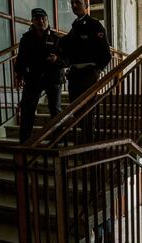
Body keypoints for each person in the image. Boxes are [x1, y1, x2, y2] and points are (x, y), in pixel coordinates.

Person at [15, 8, 65, 143]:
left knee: (55, 110)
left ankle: (57, 141)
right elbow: (20, 59)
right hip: (33, 78)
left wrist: (57, 60)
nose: (40, 21)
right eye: (37, 18)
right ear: (32, 21)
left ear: (47, 20)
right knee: (27, 109)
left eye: (43, 18)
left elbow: (66, 59)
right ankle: (24, 142)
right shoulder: (26, 39)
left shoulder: (56, 38)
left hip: (53, 78)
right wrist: (18, 75)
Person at [60, 0, 111, 103]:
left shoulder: (94, 25)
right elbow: (66, 48)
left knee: (86, 109)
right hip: (74, 74)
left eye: (78, 2)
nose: (74, 5)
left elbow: (106, 53)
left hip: (88, 74)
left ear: (86, 5)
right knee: (75, 109)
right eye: (72, 3)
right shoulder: (75, 26)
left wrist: (97, 70)